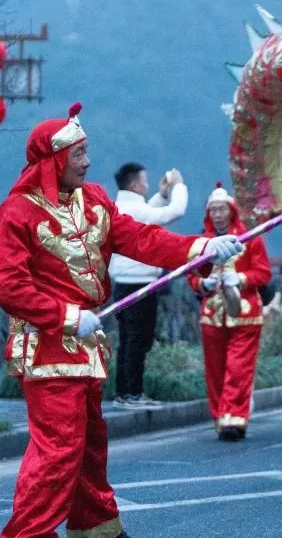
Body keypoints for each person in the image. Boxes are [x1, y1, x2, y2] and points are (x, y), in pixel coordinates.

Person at [0, 104, 241, 538]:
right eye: (79, 154)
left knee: (88, 445)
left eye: (86, 152)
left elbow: (140, 238)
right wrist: (66, 316)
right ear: (53, 162)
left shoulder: (96, 202)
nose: (88, 162)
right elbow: (8, 288)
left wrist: (198, 249)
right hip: (47, 349)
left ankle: (97, 527)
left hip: (86, 349)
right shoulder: (16, 214)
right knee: (58, 451)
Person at [189, 184, 272, 441]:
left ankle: (234, 418)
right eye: (212, 210)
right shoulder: (201, 242)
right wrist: (202, 284)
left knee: (239, 367)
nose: (217, 214)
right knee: (215, 369)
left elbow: (264, 272)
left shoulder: (250, 237)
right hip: (212, 312)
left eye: (221, 209)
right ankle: (219, 415)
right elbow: (191, 274)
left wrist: (242, 278)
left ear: (231, 210)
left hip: (245, 312)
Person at [108, 163, 189, 409]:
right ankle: (133, 393)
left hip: (123, 284)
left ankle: (124, 393)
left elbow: (146, 213)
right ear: (134, 184)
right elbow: (173, 213)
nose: (147, 184)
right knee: (138, 341)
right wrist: (178, 186)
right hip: (139, 286)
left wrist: (162, 194)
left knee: (127, 340)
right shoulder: (133, 209)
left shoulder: (121, 207)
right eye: (144, 181)